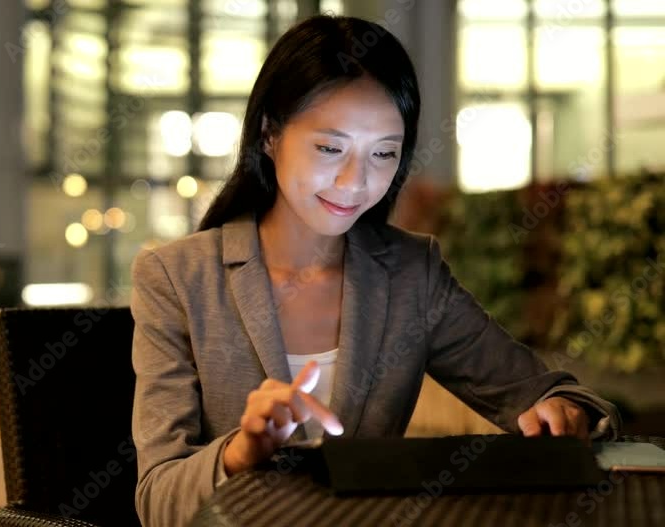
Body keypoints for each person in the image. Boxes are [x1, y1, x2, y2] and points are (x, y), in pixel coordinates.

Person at [129, 15, 621, 527]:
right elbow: (158, 500)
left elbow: (550, 393)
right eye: (329, 148)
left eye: (383, 153)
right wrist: (240, 451)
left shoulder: (412, 274)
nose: (355, 181)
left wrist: (564, 409)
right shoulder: (176, 278)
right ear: (270, 134)